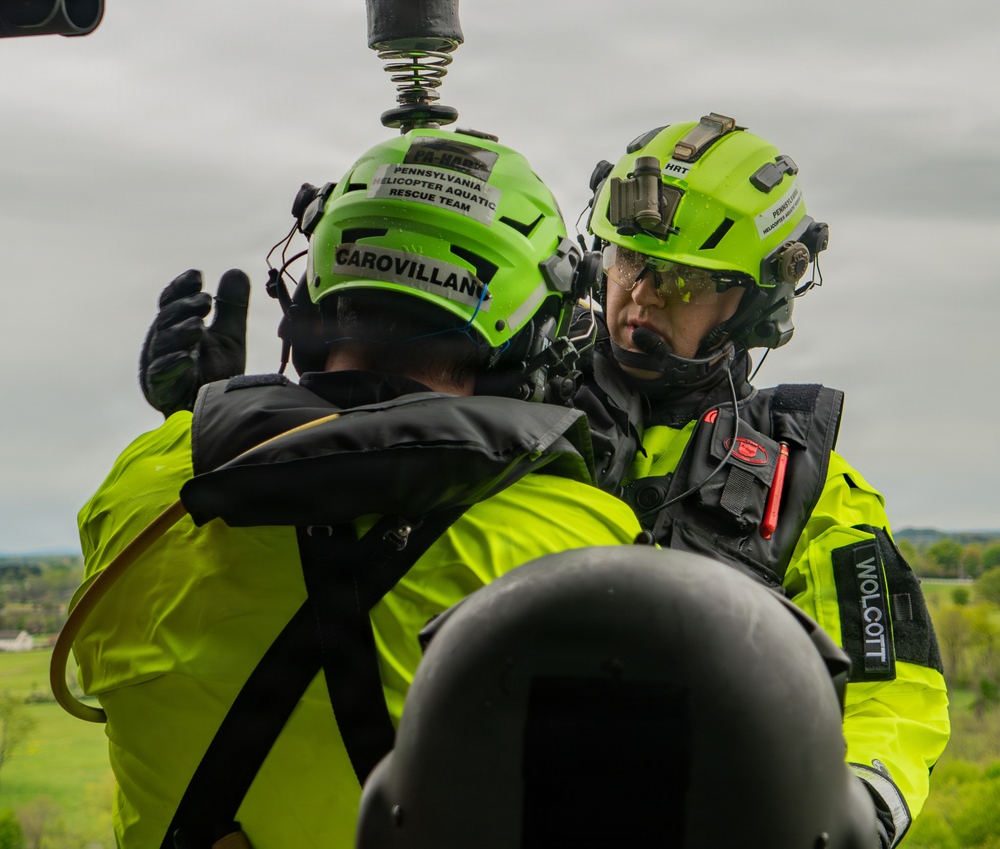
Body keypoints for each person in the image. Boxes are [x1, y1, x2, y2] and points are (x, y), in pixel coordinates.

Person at [71, 128, 643, 849]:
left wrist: (197, 417)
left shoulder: (140, 486)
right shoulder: (583, 546)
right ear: (531, 335)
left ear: (314, 296)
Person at [580, 112, 950, 848]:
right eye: (629, 261)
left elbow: (893, 687)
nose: (643, 297)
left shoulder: (810, 483)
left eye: (682, 279)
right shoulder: (510, 419)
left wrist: (859, 808)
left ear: (755, 301)